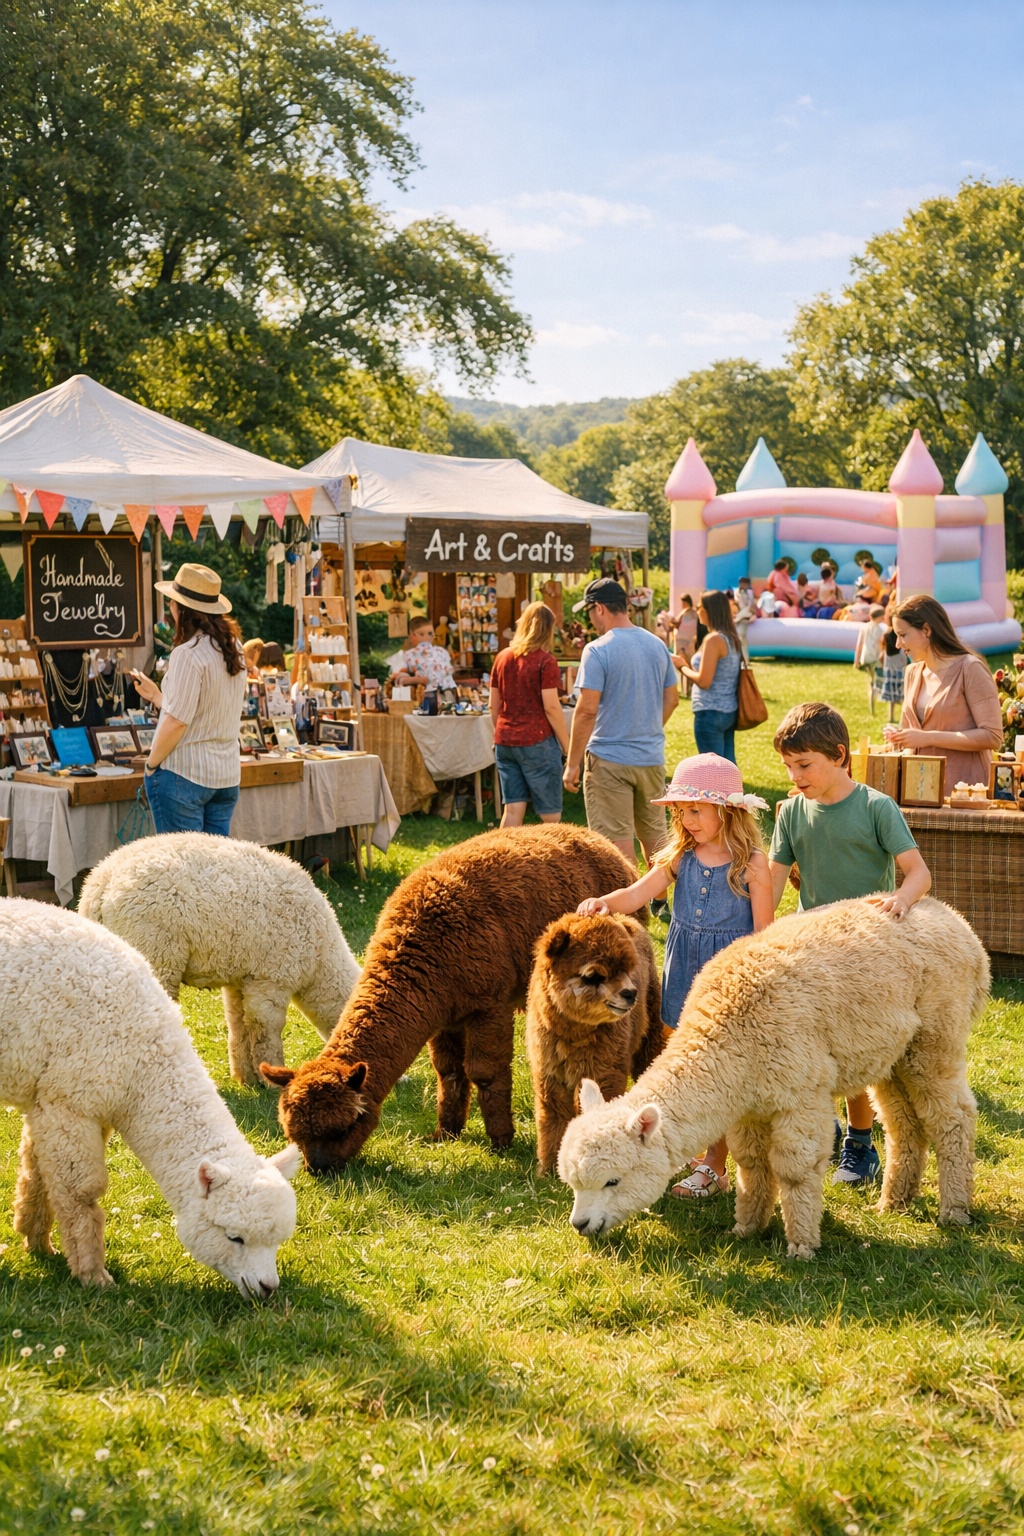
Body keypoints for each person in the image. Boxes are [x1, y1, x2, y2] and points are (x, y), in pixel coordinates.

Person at [577, 752, 773, 1199]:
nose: (687, 819)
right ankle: (693, 1148)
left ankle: (715, 1167)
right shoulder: (681, 856)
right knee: (680, 1064)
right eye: (681, 811)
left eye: (696, 810)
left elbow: (764, 935)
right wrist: (605, 903)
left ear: (728, 810)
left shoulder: (752, 864)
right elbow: (638, 892)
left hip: (726, 981)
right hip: (683, 971)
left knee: (717, 1073)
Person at [768, 703, 932, 1185]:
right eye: (788, 767)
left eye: (804, 765)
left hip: (865, 952)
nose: (795, 776)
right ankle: (829, 1128)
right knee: (812, 1049)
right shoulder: (792, 812)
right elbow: (773, 882)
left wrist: (901, 900)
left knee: (853, 1052)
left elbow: (919, 873)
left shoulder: (876, 807)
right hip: (810, 949)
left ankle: (861, 1146)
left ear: (839, 756)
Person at [563, 576, 678, 868]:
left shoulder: (597, 649)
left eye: (589, 613)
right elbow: (673, 699)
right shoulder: (657, 644)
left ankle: (630, 905)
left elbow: (587, 711)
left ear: (599, 608)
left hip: (608, 758)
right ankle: (658, 902)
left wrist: (572, 764)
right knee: (655, 836)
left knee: (615, 844)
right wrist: (648, 727)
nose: (590, 621)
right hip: (651, 757)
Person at [131, 563, 247, 836]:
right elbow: (208, 709)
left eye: (172, 601)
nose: (170, 606)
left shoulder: (187, 653)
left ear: (181, 610)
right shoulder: (234, 648)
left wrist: (151, 766)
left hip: (185, 774)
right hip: (225, 775)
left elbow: (177, 724)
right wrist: (160, 697)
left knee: (183, 871)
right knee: (213, 870)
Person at [884, 594, 1003, 788]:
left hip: (965, 790)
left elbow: (992, 736)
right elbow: (912, 733)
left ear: (926, 630)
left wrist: (928, 737)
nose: (897, 644)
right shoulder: (912, 673)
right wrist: (899, 736)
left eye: (903, 635)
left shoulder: (970, 668)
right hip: (918, 789)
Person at [489, 602, 570, 827]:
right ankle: (551, 862)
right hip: (537, 740)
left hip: (505, 741)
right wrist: (567, 747)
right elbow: (551, 707)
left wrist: (501, 732)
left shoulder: (502, 657)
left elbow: (493, 706)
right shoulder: (545, 661)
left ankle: (504, 860)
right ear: (548, 629)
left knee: (513, 810)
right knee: (550, 816)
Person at [678, 590, 743, 764]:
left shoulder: (714, 639)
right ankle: (734, 792)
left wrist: (682, 666)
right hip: (728, 710)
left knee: (712, 770)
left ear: (708, 610)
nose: (697, 610)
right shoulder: (731, 637)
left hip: (710, 712)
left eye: (699, 607)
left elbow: (704, 681)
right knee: (728, 767)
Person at [390, 616, 456, 695]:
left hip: (425, 692)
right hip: (445, 691)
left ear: (412, 634)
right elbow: (450, 671)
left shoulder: (409, 655)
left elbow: (400, 674)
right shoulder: (442, 652)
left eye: (430, 633)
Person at [853, 604, 887, 713]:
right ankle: (873, 704)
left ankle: (872, 706)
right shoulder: (880, 630)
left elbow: (859, 645)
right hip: (875, 659)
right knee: (876, 682)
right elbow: (881, 647)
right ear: (880, 617)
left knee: (871, 681)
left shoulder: (864, 627)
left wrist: (856, 660)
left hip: (865, 658)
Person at [734, 577, 757, 663]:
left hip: (745, 617)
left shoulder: (750, 592)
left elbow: (751, 605)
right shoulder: (737, 592)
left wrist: (754, 613)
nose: (744, 585)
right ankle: (743, 659)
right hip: (739, 616)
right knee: (740, 638)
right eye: (742, 583)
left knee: (741, 637)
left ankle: (745, 659)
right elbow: (736, 603)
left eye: (746, 584)